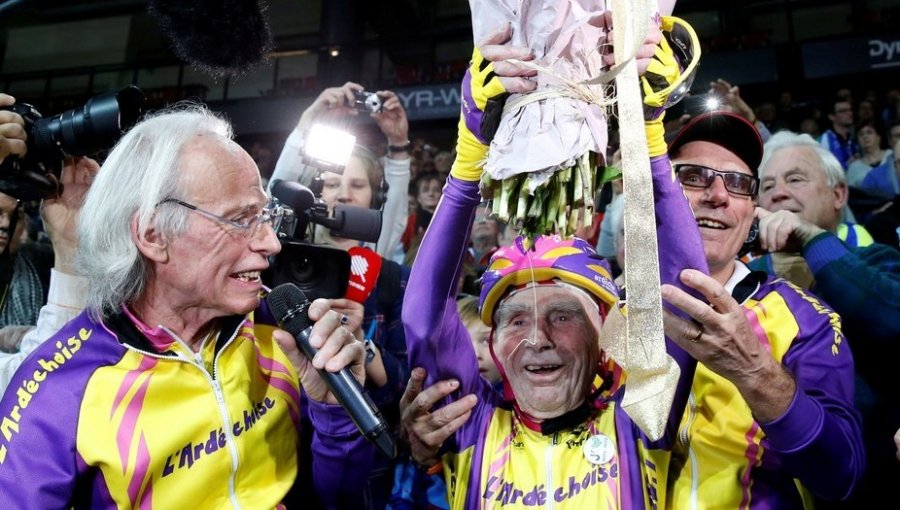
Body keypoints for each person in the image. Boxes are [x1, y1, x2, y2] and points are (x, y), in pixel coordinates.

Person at [404, 111, 866, 509]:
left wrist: (757, 375)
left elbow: (841, 476)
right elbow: (516, 398)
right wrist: (433, 429)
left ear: (753, 210)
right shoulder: (603, 311)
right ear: (651, 194)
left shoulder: (805, 318)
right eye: (692, 177)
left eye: (739, 183)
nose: (717, 195)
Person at [402, 20, 718, 508]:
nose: (537, 338)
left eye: (563, 314)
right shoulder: (470, 425)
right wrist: (469, 157)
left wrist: (646, 138)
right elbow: (425, 323)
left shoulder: (641, 413)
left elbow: (683, 293)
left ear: (605, 331)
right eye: (515, 319)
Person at [0, 104, 372, 508]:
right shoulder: (61, 385)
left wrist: (334, 414)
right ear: (153, 234)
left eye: (265, 215)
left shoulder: (281, 329)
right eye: (241, 219)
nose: (271, 243)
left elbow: (339, 498)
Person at [751, 129, 900, 507]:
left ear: (839, 195)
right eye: (767, 186)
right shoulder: (744, 282)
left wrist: (813, 239)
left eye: (795, 179)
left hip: (875, 484)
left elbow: (891, 317)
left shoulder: (878, 261)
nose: (778, 193)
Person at [270, 82, 411, 258]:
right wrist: (308, 120)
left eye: (358, 185)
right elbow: (277, 195)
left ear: (376, 197)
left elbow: (394, 210)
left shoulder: (375, 250)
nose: (344, 194)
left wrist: (398, 142)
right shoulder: (291, 237)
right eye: (332, 184)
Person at [847, 119, 893, 189]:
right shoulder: (854, 167)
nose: (865, 137)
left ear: (878, 137)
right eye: (861, 134)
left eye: (869, 132)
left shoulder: (891, 155)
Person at [819, 97, 859, 170]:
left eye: (850, 110)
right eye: (843, 111)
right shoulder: (826, 139)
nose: (850, 113)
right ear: (832, 117)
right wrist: (847, 165)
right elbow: (824, 168)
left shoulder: (856, 135)